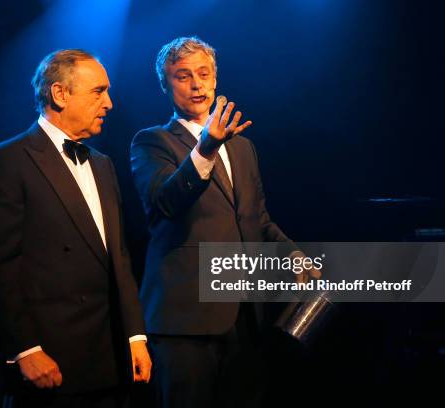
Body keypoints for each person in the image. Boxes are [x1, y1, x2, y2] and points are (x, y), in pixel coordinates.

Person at [130, 36, 320, 407]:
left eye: (203, 74)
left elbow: (257, 219)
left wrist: (292, 253)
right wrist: (205, 148)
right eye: (183, 76)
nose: (196, 84)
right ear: (165, 85)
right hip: (185, 323)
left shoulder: (243, 147)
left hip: (246, 317)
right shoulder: (151, 142)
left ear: (216, 79)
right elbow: (165, 203)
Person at [0, 49, 151, 408]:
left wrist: (135, 336)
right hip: (50, 361)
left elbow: (119, 258)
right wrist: (25, 348)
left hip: (111, 358)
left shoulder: (103, 165)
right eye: (98, 92)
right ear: (59, 94)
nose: (110, 103)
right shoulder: (7, 160)